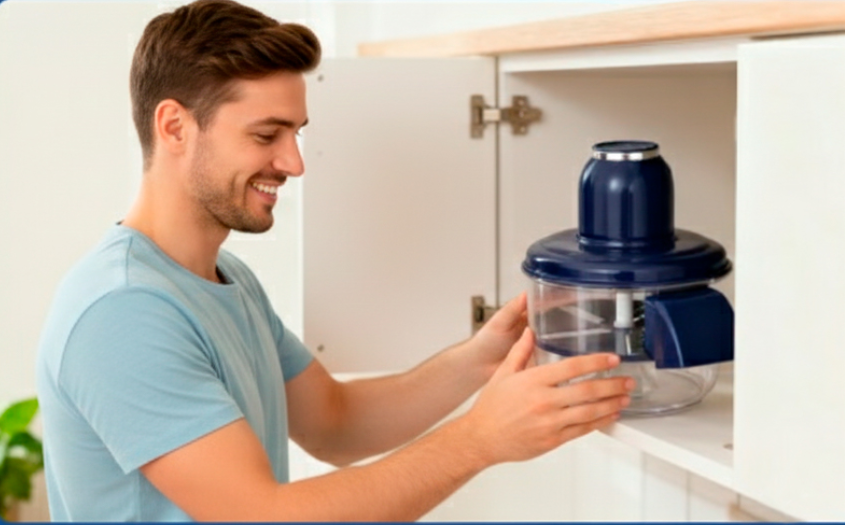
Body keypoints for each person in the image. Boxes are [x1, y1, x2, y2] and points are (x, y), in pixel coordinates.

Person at [35, 0, 634, 521]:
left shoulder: (225, 279)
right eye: (266, 135)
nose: (294, 163)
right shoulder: (123, 310)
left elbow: (335, 423)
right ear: (174, 127)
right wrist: (479, 439)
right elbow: (262, 517)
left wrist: (480, 359)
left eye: (296, 133)